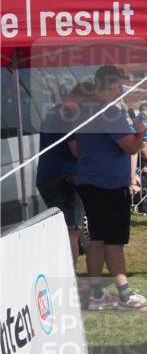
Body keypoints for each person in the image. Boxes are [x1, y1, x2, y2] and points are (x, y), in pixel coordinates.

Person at [75, 65, 147, 311]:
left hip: (92, 182)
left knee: (97, 239)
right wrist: (141, 130)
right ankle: (125, 295)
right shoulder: (108, 111)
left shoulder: (85, 108)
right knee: (112, 241)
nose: (124, 90)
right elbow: (131, 147)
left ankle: (97, 294)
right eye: (121, 85)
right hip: (107, 186)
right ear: (111, 85)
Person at [36, 84, 87, 272]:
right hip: (65, 180)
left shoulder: (52, 112)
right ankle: (71, 278)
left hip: (48, 177)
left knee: (64, 231)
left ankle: (65, 274)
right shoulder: (69, 116)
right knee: (72, 231)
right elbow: (76, 151)